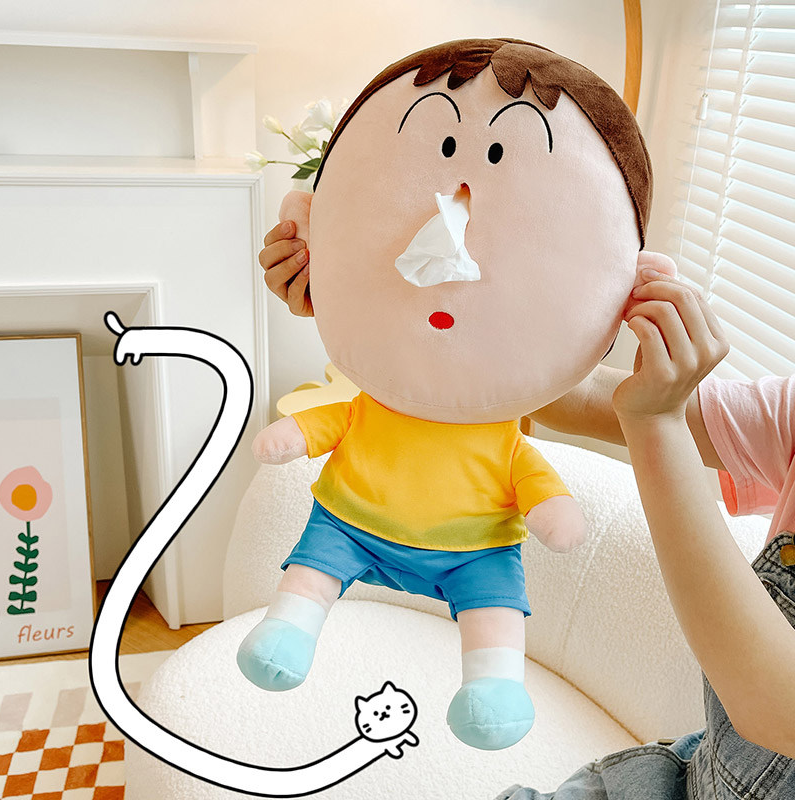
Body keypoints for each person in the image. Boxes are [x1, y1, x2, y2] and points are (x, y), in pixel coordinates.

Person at [259, 225, 795, 796]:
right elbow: (578, 396)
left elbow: (776, 712)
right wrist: (369, 306)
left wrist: (657, 421)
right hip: (675, 776)